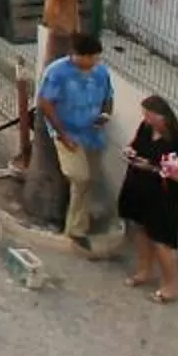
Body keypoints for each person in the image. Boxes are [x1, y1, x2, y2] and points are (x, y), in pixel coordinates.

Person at [34, 32, 115, 251]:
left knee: (90, 180)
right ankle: (75, 228)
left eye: (96, 58)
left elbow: (108, 98)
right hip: (67, 132)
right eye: (90, 58)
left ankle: (79, 223)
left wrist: (105, 115)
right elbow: (45, 103)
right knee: (79, 177)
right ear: (77, 55)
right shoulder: (57, 72)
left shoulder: (101, 72)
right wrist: (62, 133)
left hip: (93, 134)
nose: (94, 63)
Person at [119, 93, 178, 303]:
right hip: (139, 187)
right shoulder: (145, 128)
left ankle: (169, 286)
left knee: (162, 241)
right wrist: (130, 152)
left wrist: (154, 168)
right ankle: (144, 271)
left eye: (149, 115)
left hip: (162, 195)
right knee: (142, 230)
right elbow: (135, 144)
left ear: (162, 117)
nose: (146, 118)